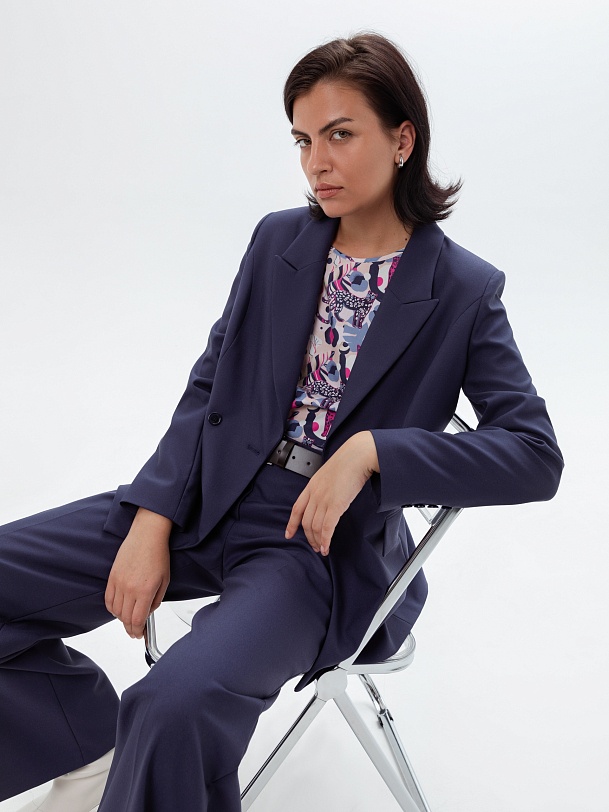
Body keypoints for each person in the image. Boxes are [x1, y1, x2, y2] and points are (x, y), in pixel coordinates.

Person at [0, 32, 563, 812]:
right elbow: (210, 384)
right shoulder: (278, 242)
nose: (315, 162)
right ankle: (82, 739)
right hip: (205, 498)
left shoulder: (463, 289)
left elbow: (533, 454)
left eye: (339, 134)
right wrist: (153, 516)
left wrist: (371, 452)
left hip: (315, 548)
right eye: (302, 140)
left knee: (170, 704)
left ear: (402, 140)